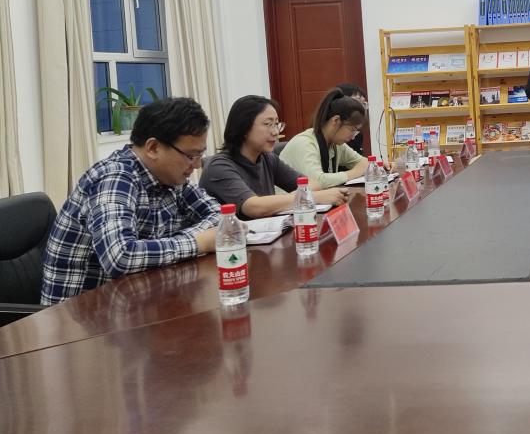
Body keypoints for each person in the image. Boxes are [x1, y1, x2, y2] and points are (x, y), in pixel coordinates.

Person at [41, 98, 222, 305]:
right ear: (153, 148)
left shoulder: (171, 177)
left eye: (200, 155)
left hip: (138, 298)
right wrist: (198, 242)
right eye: (191, 156)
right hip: (81, 313)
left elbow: (220, 216)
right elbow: (120, 256)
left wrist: (196, 239)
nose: (197, 165)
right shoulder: (114, 178)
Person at [200, 95, 349, 219]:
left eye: (277, 124)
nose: (275, 132)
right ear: (243, 128)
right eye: (268, 124)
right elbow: (253, 207)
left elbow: (312, 183)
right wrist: (310, 197)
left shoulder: (267, 158)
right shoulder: (218, 167)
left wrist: (298, 196)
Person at [281, 89, 372, 188]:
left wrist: (371, 167)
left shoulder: (336, 144)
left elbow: (364, 163)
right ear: (336, 121)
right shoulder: (304, 143)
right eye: (352, 130)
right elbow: (316, 182)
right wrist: (354, 173)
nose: (353, 137)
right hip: (291, 198)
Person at [336, 83, 369, 155]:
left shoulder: (358, 134)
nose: (362, 109)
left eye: (364, 104)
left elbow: (358, 160)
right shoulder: (337, 139)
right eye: (356, 102)